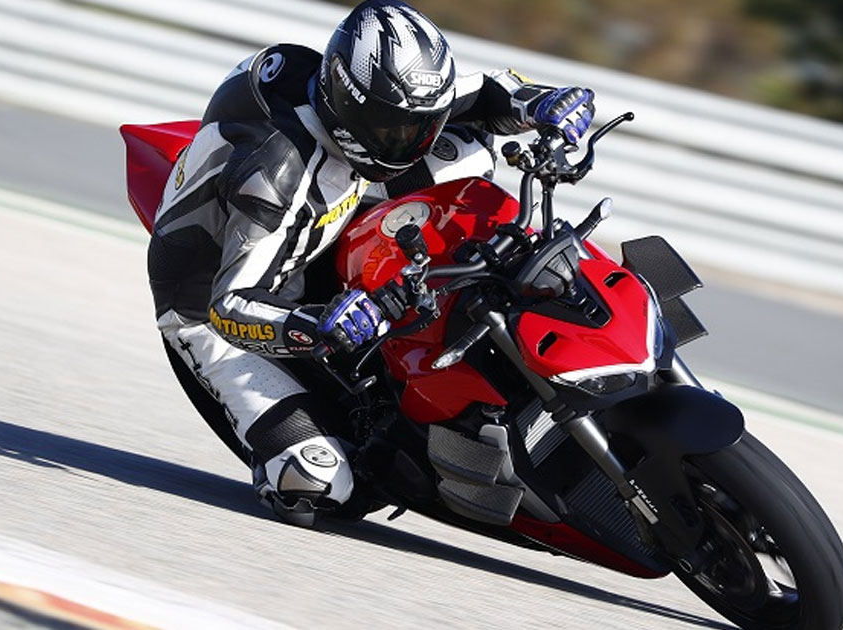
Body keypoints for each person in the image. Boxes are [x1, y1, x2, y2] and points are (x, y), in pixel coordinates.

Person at [148, 0, 595, 526]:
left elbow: (483, 93)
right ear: (347, 104)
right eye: (394, 130)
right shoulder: (278, 178)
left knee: (468, 153)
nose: (412, 143)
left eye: (421, 126)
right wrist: (319, 324)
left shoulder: (379, 98)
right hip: (216, 307)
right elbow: (230, 308)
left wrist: (542, 104)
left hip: (317, 222)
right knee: (322, 482)